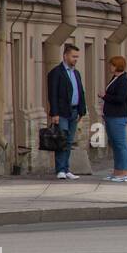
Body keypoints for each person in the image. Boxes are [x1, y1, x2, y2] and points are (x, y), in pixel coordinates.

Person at [46, 43, 86, 180]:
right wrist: (54, 113)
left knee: (69, 141)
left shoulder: (76, 73)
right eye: (73, 56)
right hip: (62, 112)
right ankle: (60, 169)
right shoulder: (56, 73)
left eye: (77, 57)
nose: (76, 59)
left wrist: (82, 110)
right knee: (61, 140)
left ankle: (67, 168)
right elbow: (52, 94)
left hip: (74, 111)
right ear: (65, 56)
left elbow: (80, 92)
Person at [99, 55, 127, 182]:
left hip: (118, 116)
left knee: (121, 144)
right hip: (111, 115)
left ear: (117, 66)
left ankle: (124, 173)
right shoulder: (115, 78)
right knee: (115, 144)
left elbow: (120, 98)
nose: (110, 67)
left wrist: (104, 96)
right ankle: (117, 171)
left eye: (112, 65)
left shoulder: (124, 80)